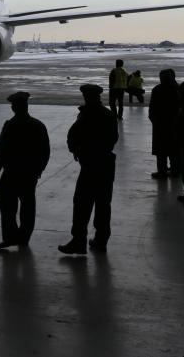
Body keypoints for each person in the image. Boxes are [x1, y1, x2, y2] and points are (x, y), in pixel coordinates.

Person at [59, 84, 119, 254]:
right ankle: (101, 240)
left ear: (87, 97)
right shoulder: (108, 114)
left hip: (91, 165)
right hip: (106, 164)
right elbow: (113, 138)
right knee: (103, 203)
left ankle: (79, 241)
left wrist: (77, 150)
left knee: (82, 204)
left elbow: (73, 135)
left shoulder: (87, 114)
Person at [0, 91, 50, 249]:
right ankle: (24, 236)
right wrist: (38, 170)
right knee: (27, 205)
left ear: (15, 107)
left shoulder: (11, 125)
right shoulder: (38, 125)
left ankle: (10, 237)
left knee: (7, 205)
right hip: (29, 173)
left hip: (11, 172)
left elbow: (2, 149)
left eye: (13, 105)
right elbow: (45, 151)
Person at [149, 69, 181, 179]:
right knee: (174, 150)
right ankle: (175, 171)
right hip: (175, 125)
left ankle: (162, 172)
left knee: (161, 152)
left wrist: (155, 121)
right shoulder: (178, 89)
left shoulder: (157, 89)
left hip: (160, 125)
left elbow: (152, 109)